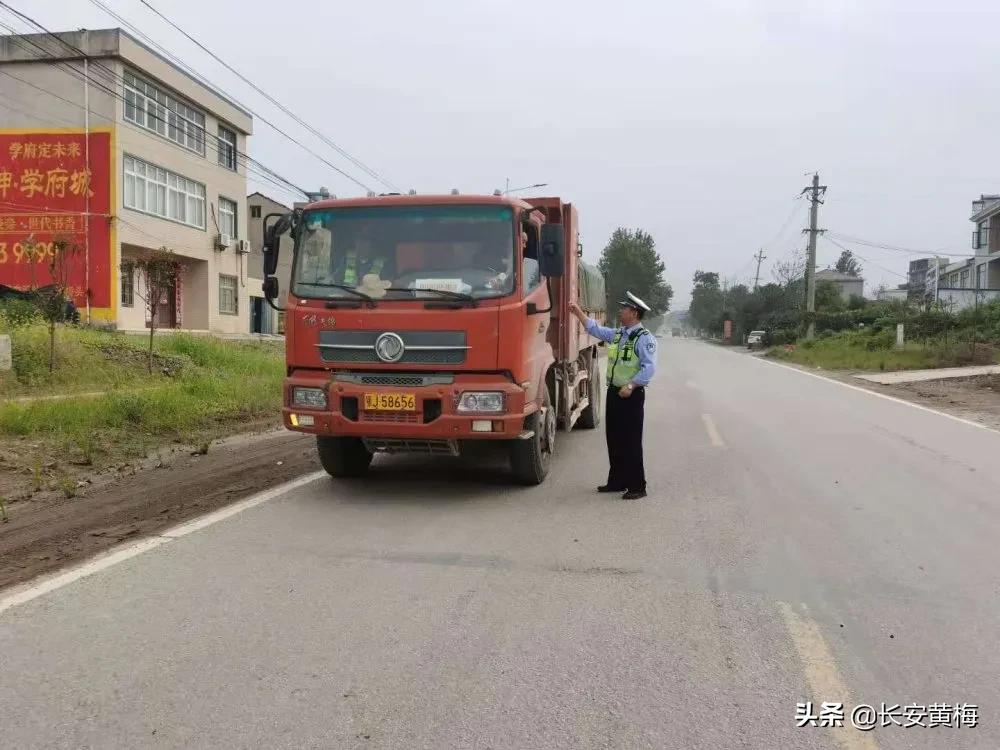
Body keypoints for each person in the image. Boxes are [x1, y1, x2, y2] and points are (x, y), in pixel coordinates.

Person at [569, 291, 657, 500]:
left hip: (631, 395)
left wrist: (633, 384)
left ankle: (637, 486)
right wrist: (577, 312)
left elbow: (649, 367)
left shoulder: (645, 338)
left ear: (634, 313)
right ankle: (617, 481)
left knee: (631, 441)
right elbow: (596, 329)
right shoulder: (619, 334)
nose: (620, 311)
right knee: (614, 438)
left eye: (624, 309)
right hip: (615, 393)